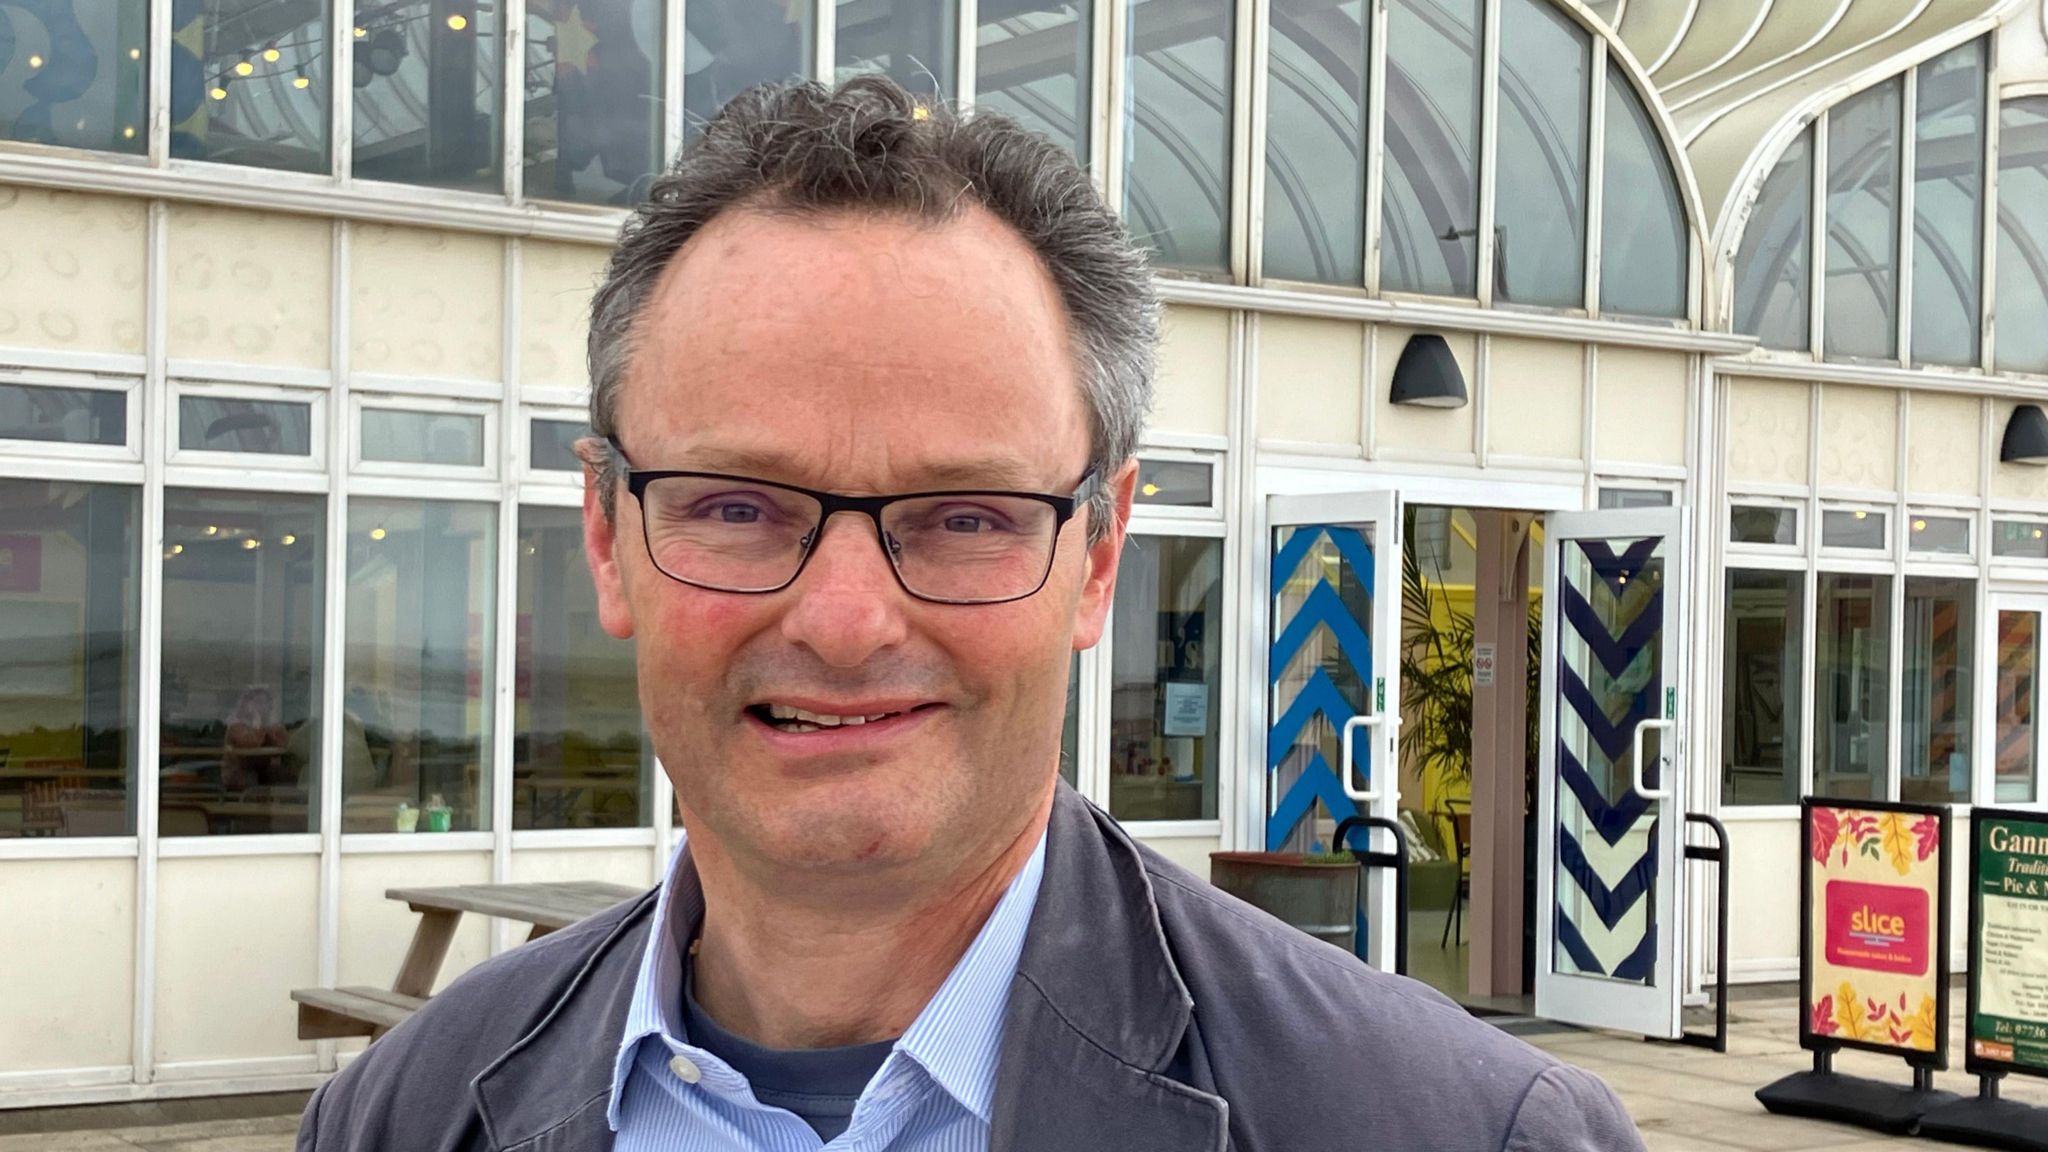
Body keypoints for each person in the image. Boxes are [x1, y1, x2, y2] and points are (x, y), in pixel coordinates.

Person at [297, 77, 1645, 1152]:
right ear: (608, 536)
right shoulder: (401, 1116)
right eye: (736, 505)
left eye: (966, 517)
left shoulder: (1461, 1130)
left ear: (1100, 556)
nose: (841, 618)